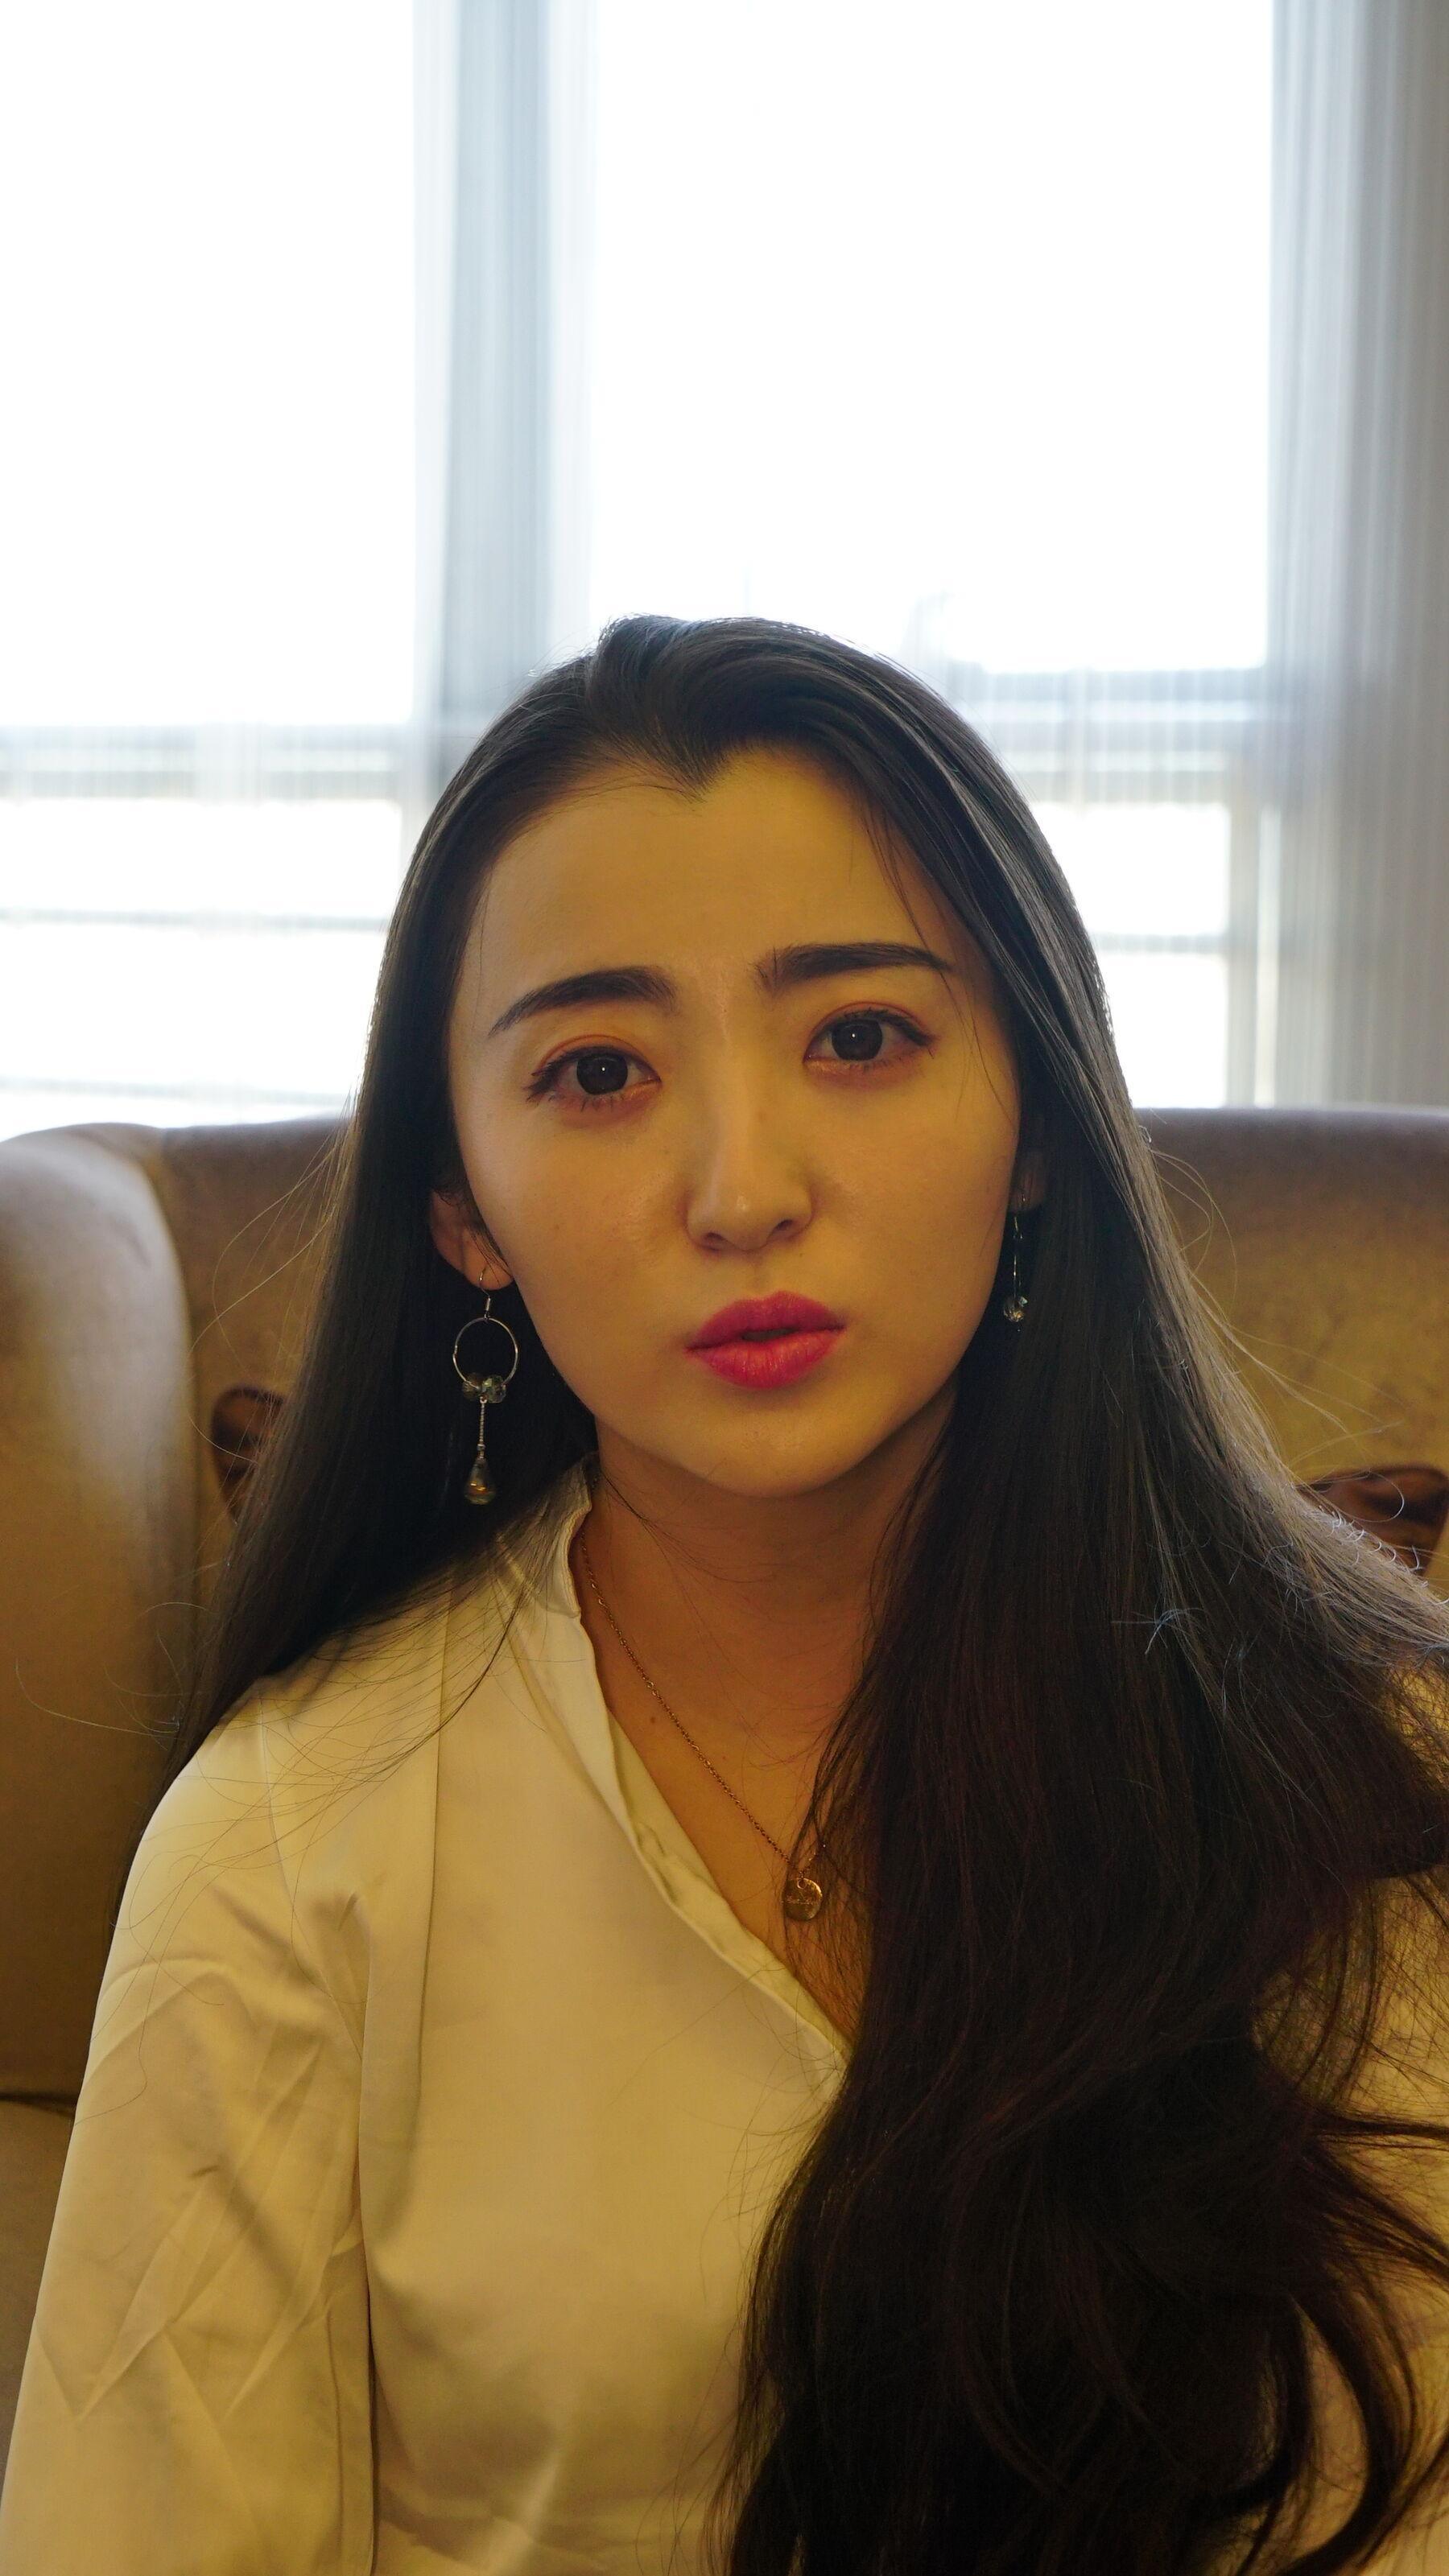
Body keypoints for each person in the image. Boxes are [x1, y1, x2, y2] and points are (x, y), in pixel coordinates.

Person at [4, 612, 1449, 2575]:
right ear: (464, 1212)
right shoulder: (291, 1850)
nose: (743, 1186)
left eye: (859, 1036)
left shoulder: (1382, 1770)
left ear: (1034, 1123)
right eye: (598, 1069)